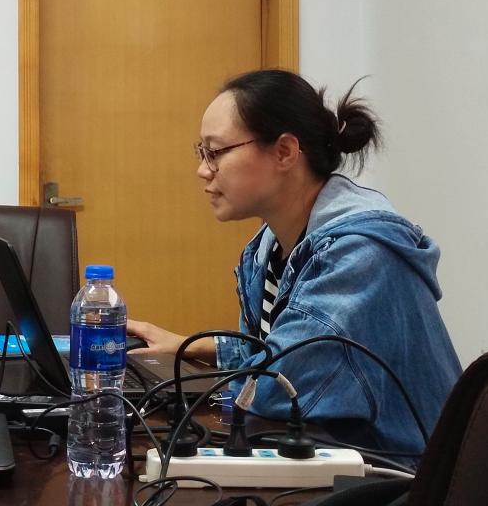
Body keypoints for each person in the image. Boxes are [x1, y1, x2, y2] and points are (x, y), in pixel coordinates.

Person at [128, 69, 461, 456]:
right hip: (335, 454)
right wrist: (193, 347)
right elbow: (275, 354)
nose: (203, 170)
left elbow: (277, 389)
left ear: (285, 152)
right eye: (201, 153)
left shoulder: (359, 259)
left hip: (404, 473)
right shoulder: (269, 247)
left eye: (215, 153)